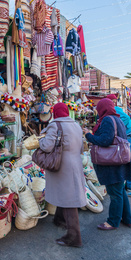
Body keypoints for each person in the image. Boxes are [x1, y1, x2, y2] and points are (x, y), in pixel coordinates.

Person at [39, 102, 85, 247]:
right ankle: (60, 219)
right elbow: (82, 147)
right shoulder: (76, 125)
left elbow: (47, 146)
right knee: (65, 192)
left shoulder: (55, 125)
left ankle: (74, 236)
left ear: (55, 112)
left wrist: (40, 140)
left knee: (69, 198)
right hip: (75, 163)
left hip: (62, 165)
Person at [83, 99, 131, 230]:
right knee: (120, 191)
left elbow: (105, 140)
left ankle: (112, 222)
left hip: (112, 163)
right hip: (118, 160)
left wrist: (88, 135)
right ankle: (126, 218)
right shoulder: (117, 119)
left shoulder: (107, 120)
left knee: (115, 193)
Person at [107, 94, 131, 197]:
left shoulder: (115, 109)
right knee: (130, 161)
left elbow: (124, 118)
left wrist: (116, 127)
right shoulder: (114, 109)